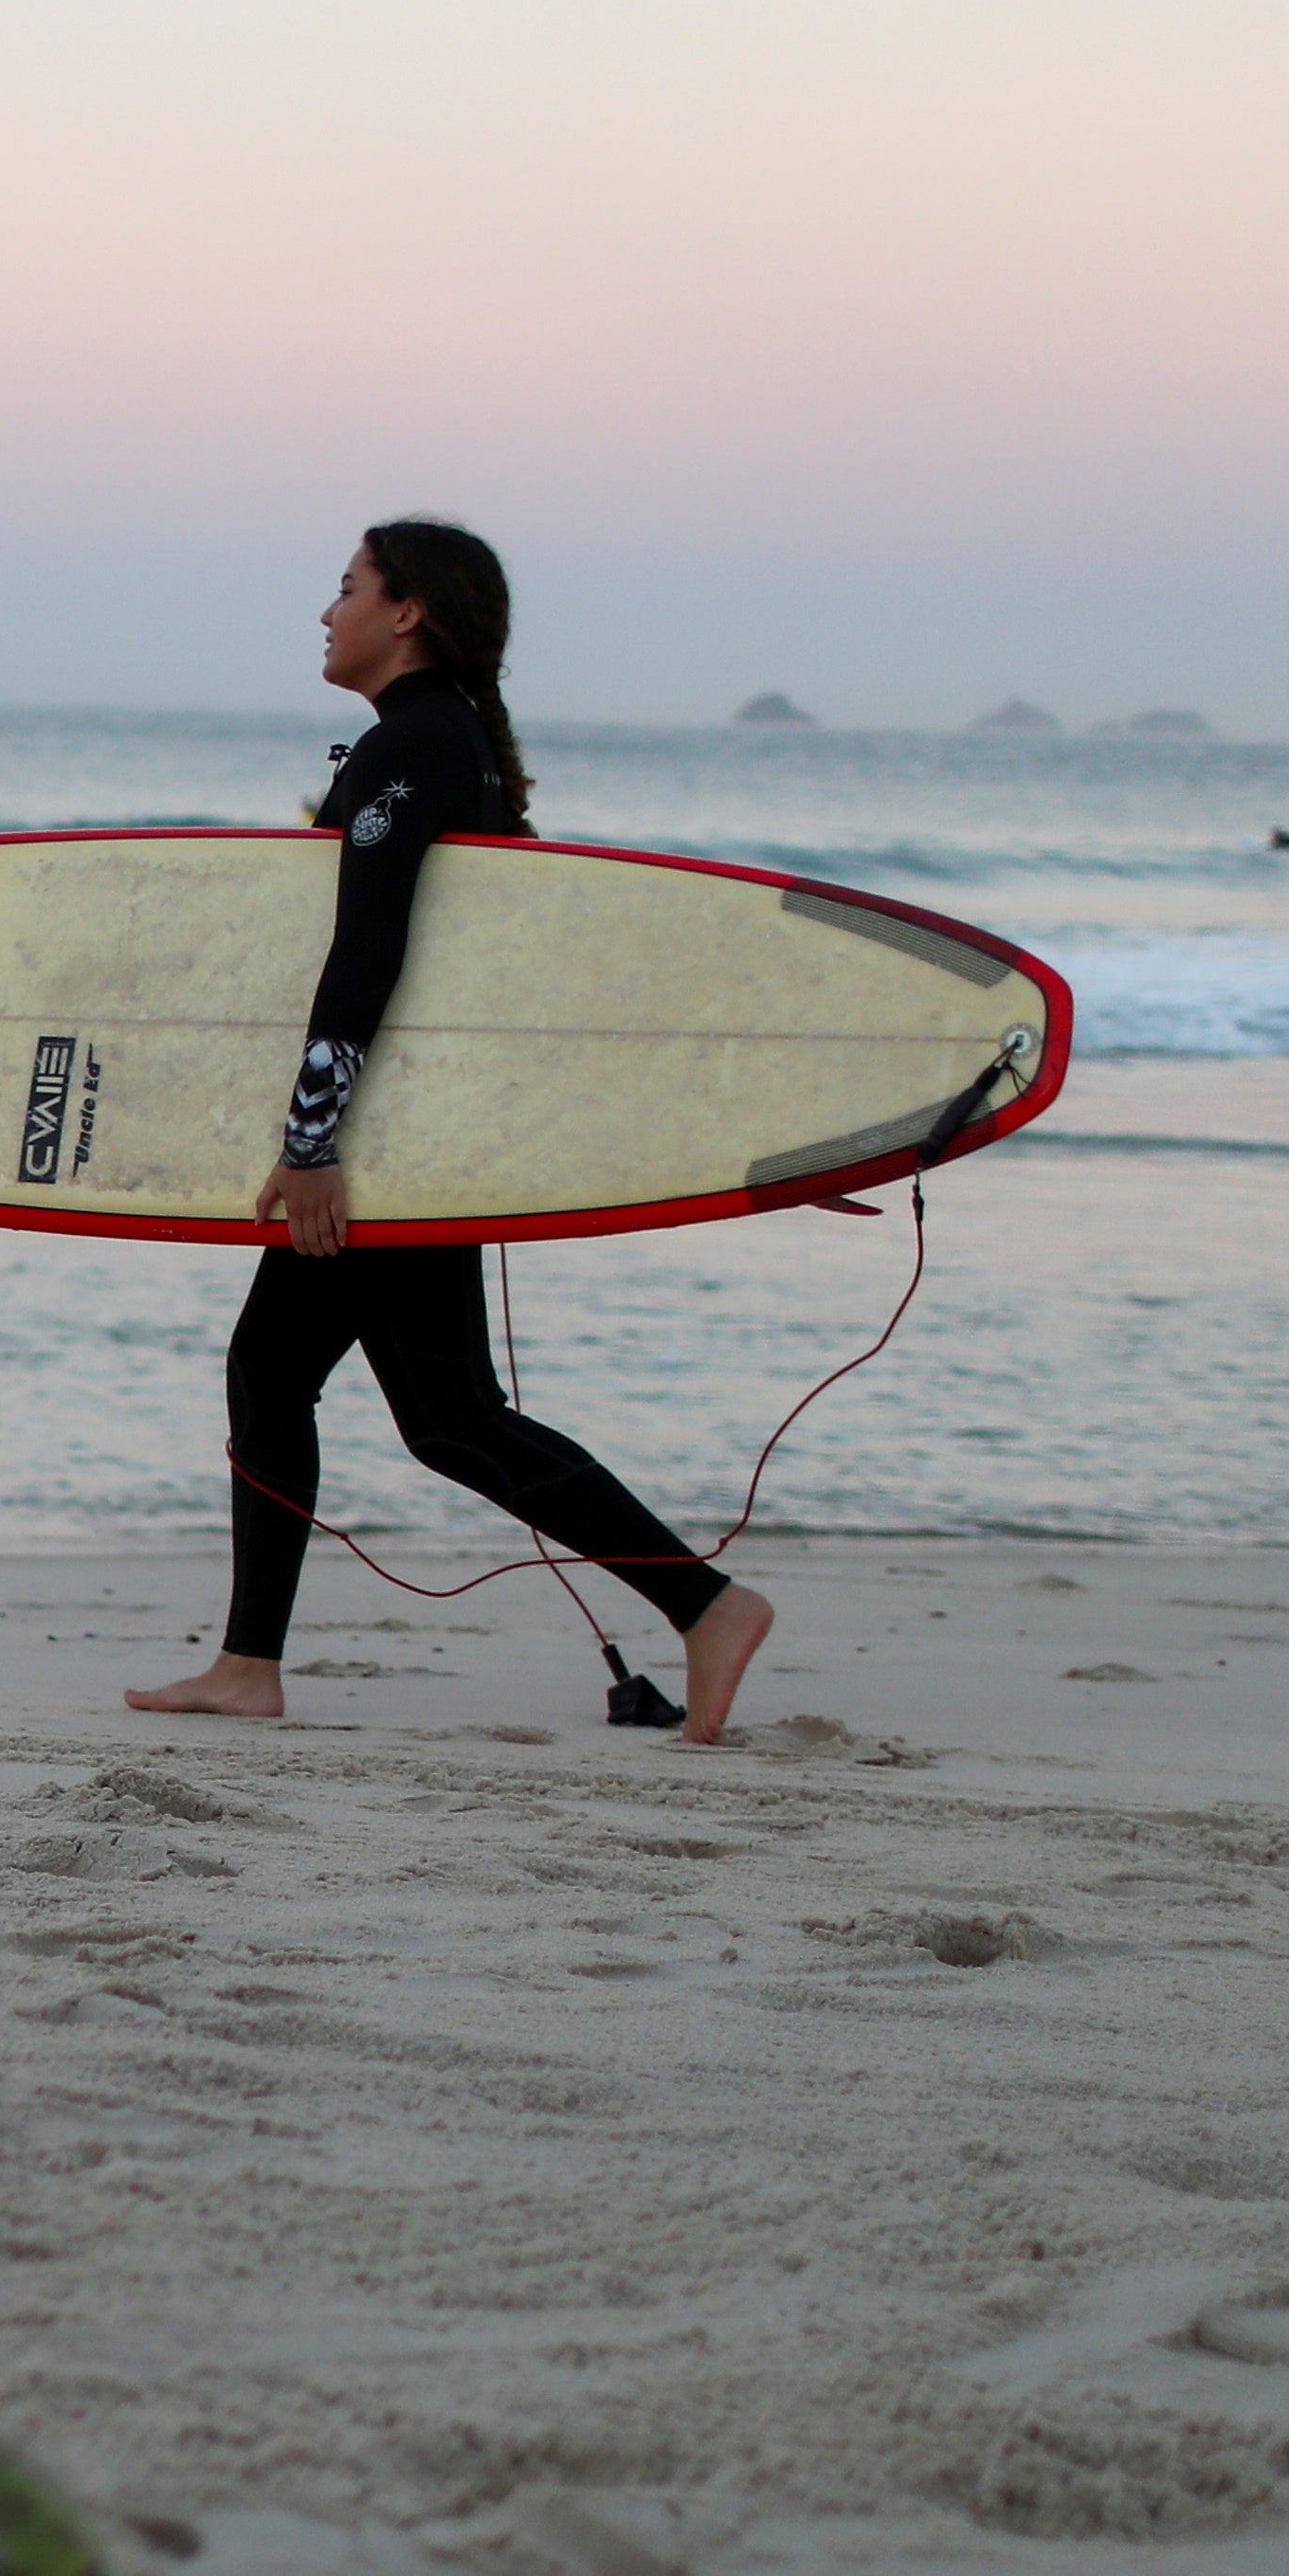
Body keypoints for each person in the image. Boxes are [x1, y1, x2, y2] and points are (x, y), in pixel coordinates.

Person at [129, 520, 774, 1741]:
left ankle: (707, 1606)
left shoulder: (409, 751)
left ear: (408, 612)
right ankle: (250, 1663)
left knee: (438, 1414)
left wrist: (312, 1143)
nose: (327, 612)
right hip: (420, 1130)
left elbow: (370, 953)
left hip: (390, 1142)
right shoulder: (445, 747)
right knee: (332, 1387)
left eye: (347, 587)